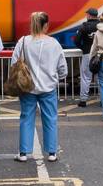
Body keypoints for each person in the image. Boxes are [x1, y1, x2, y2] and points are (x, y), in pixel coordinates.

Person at [11, 12, 67, 162]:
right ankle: (52, 153)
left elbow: (14, 63)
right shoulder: (54, 43)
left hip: (27, 88)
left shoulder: (23, 41)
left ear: (32, 24)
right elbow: (63, 69)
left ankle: (23, 153)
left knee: (26, 118)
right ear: (46, 25)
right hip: (48, 87)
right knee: (50, 119)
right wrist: (56, 77)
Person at [73, 8, 101, 107]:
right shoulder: (102, 26)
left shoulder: (84, 26)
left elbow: (76, 40)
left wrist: (83, 48)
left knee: (85, 77)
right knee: (100, 77)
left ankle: (83, 100)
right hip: (100, 54)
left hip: (87, 54)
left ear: (89, 15)